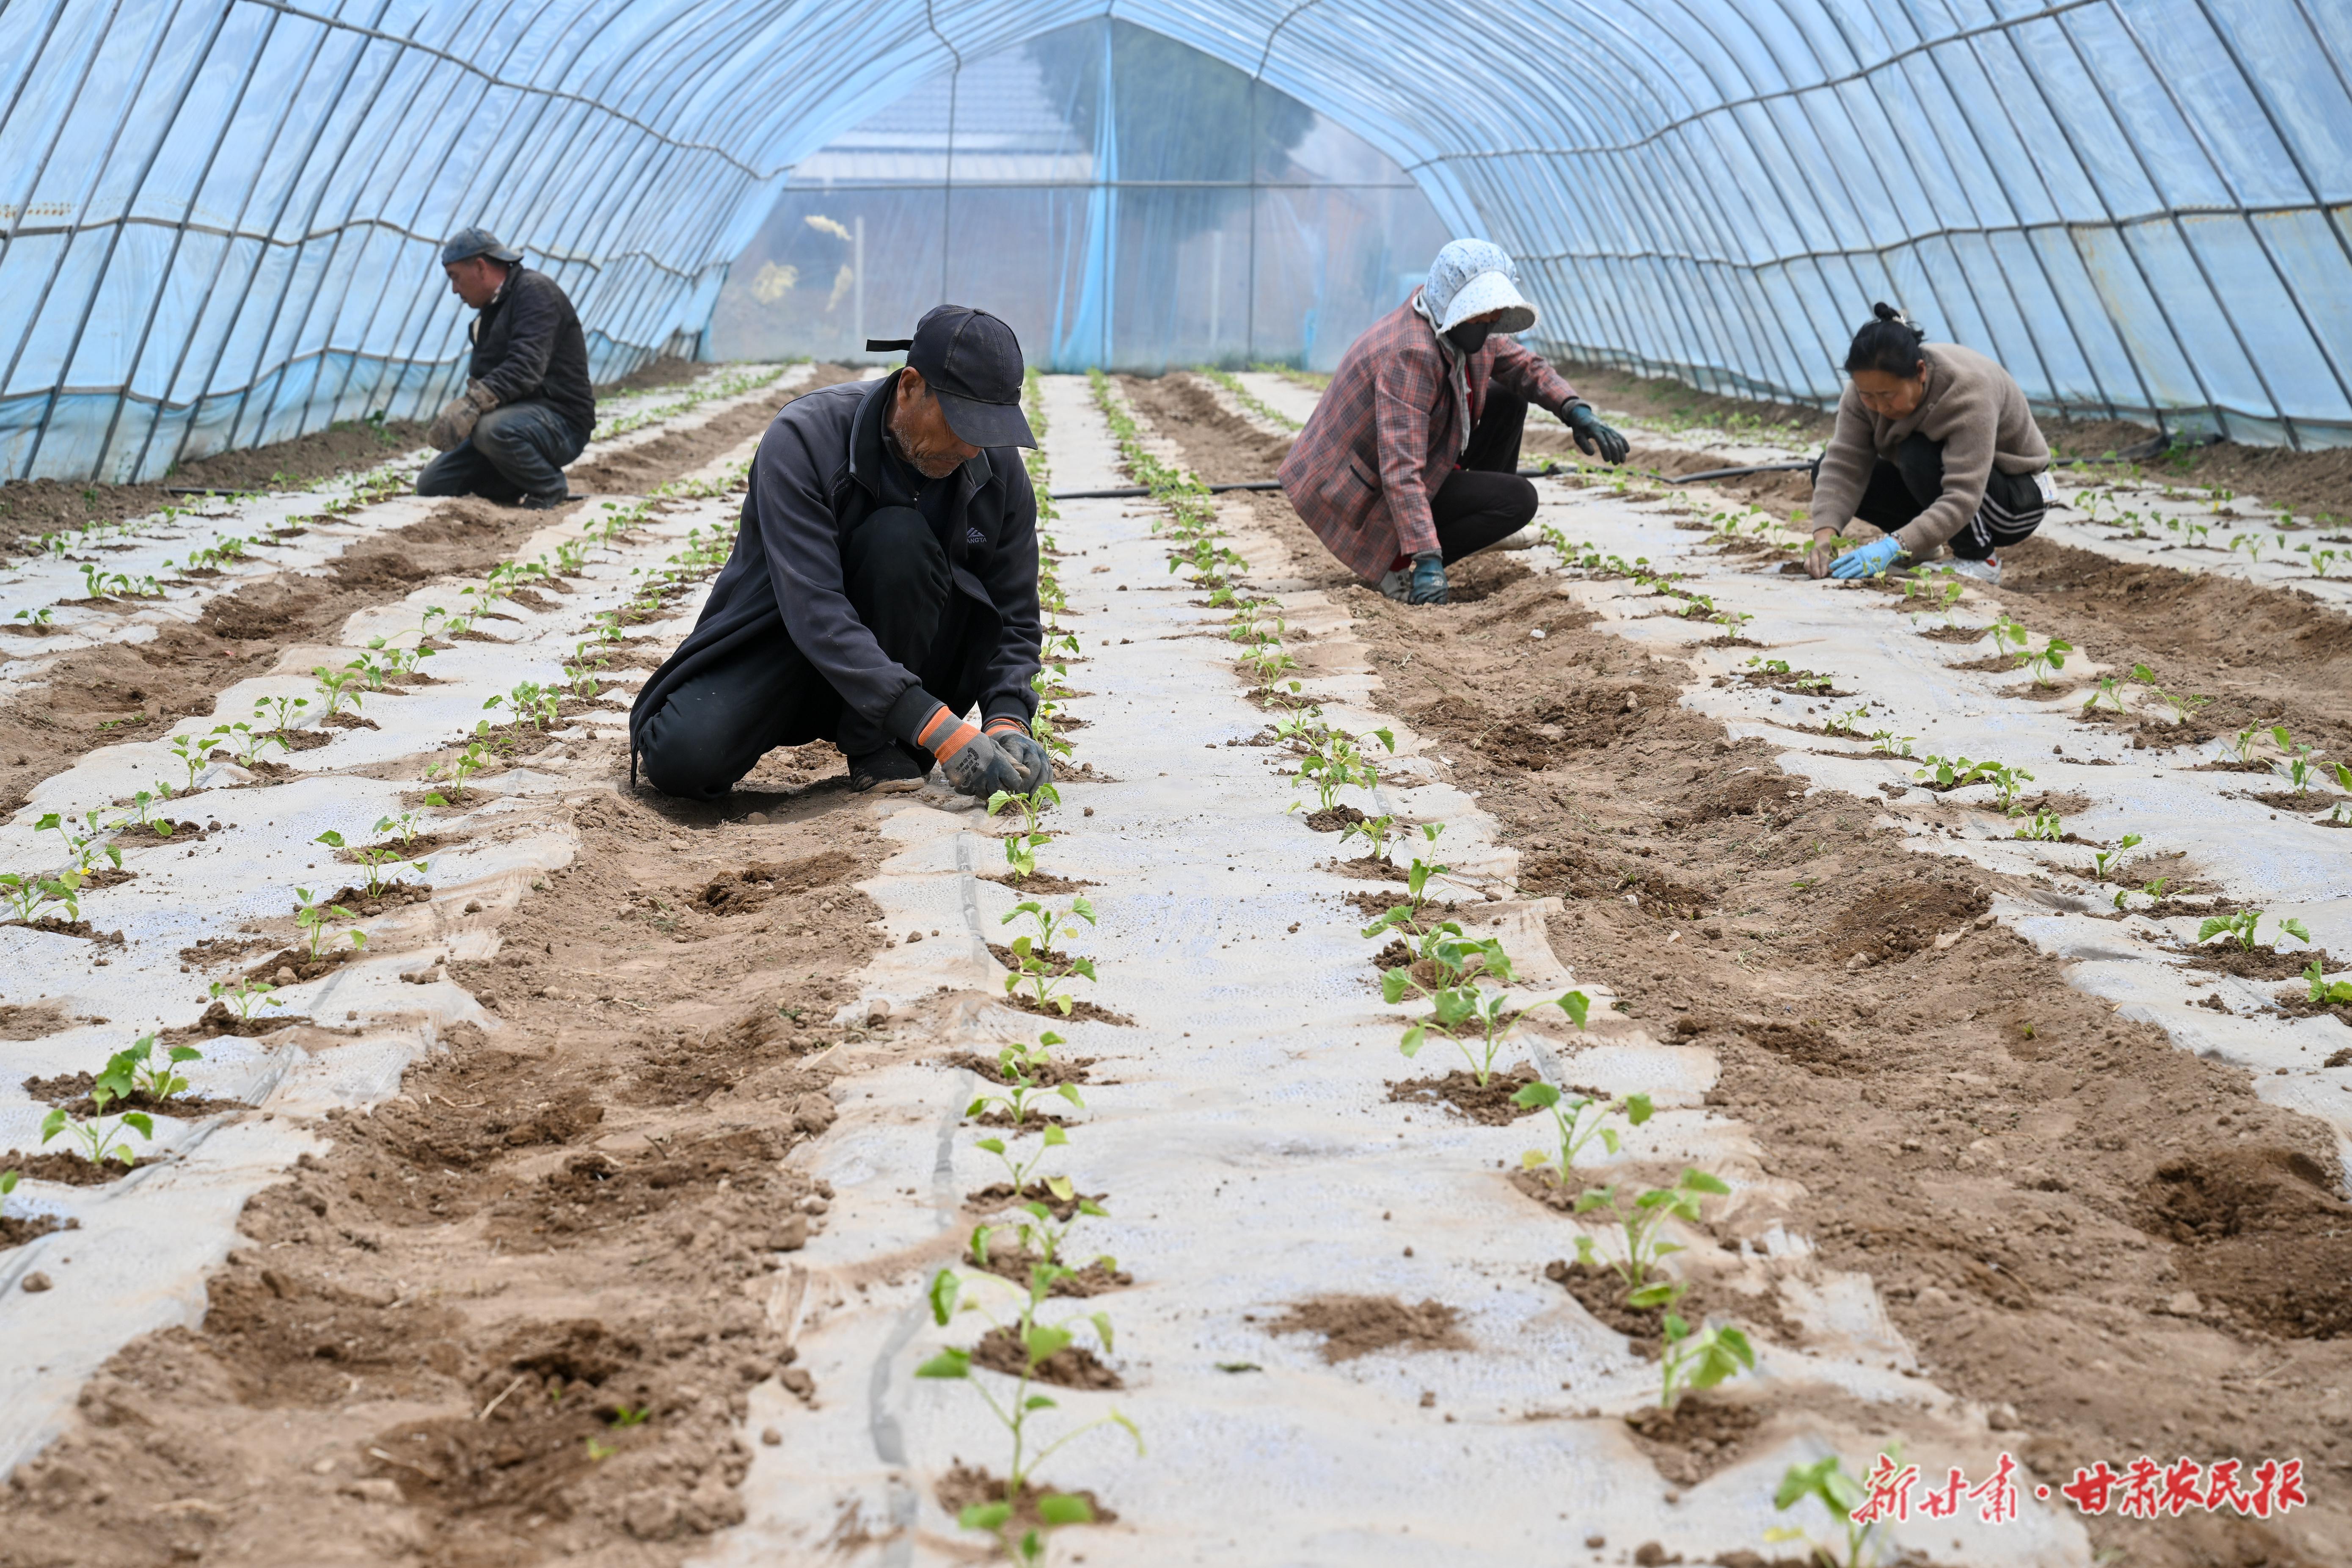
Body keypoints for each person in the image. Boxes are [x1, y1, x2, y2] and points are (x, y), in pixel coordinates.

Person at [629, 305, 1049, 803]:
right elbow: (814, 607)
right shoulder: (805, 438)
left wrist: (1007, 719)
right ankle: (900, 723)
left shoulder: (996, 470)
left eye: (989, 430)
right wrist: (938, 726)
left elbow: (1014, 614)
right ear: (910, 386)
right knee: (683, 758)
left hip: (913, 663)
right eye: (962, 424)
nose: (972, 449)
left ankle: (880, 746)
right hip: (791, 648)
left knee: (902, 545)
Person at [1277, 238, 1628, 605]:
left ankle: (1479, 526)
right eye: (1479, 316)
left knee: (1508, 398)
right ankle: (1397, 564)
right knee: (1518, 500)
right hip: (1359, 494)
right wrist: (1427, 557)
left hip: (1402, 466)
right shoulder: (1412, 353)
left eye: (1491, 315)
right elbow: (1400, 468)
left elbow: (1526, 367)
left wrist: (1574, 409)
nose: (1488, 324)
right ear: (1453, 306)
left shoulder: (1452, 322)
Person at [1805, 304, 2054, 586]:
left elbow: (1963, 495)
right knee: (1825, 467)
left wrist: (1893, 545)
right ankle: (1921, 548)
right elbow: (1844, 464)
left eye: (1889, 395)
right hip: (1956, 489)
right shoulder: (1862, 393)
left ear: (1920, 372)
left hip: (2016, 501)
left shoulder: (1968, 391)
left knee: (1918, 454)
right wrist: (1824, 537)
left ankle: (1981, 559)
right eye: (1868, 396)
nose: (1880, 407)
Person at [415, 228, 596, 508]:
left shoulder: (535, 292)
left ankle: (549, 487)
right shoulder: (491, 311)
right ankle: (514, 482)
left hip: (561, 421)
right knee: (433, 485)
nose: (454, 289)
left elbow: (526, 367)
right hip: (515, 421)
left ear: (480, 267)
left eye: (455, 277)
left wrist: (472, 404)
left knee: (491, 430)